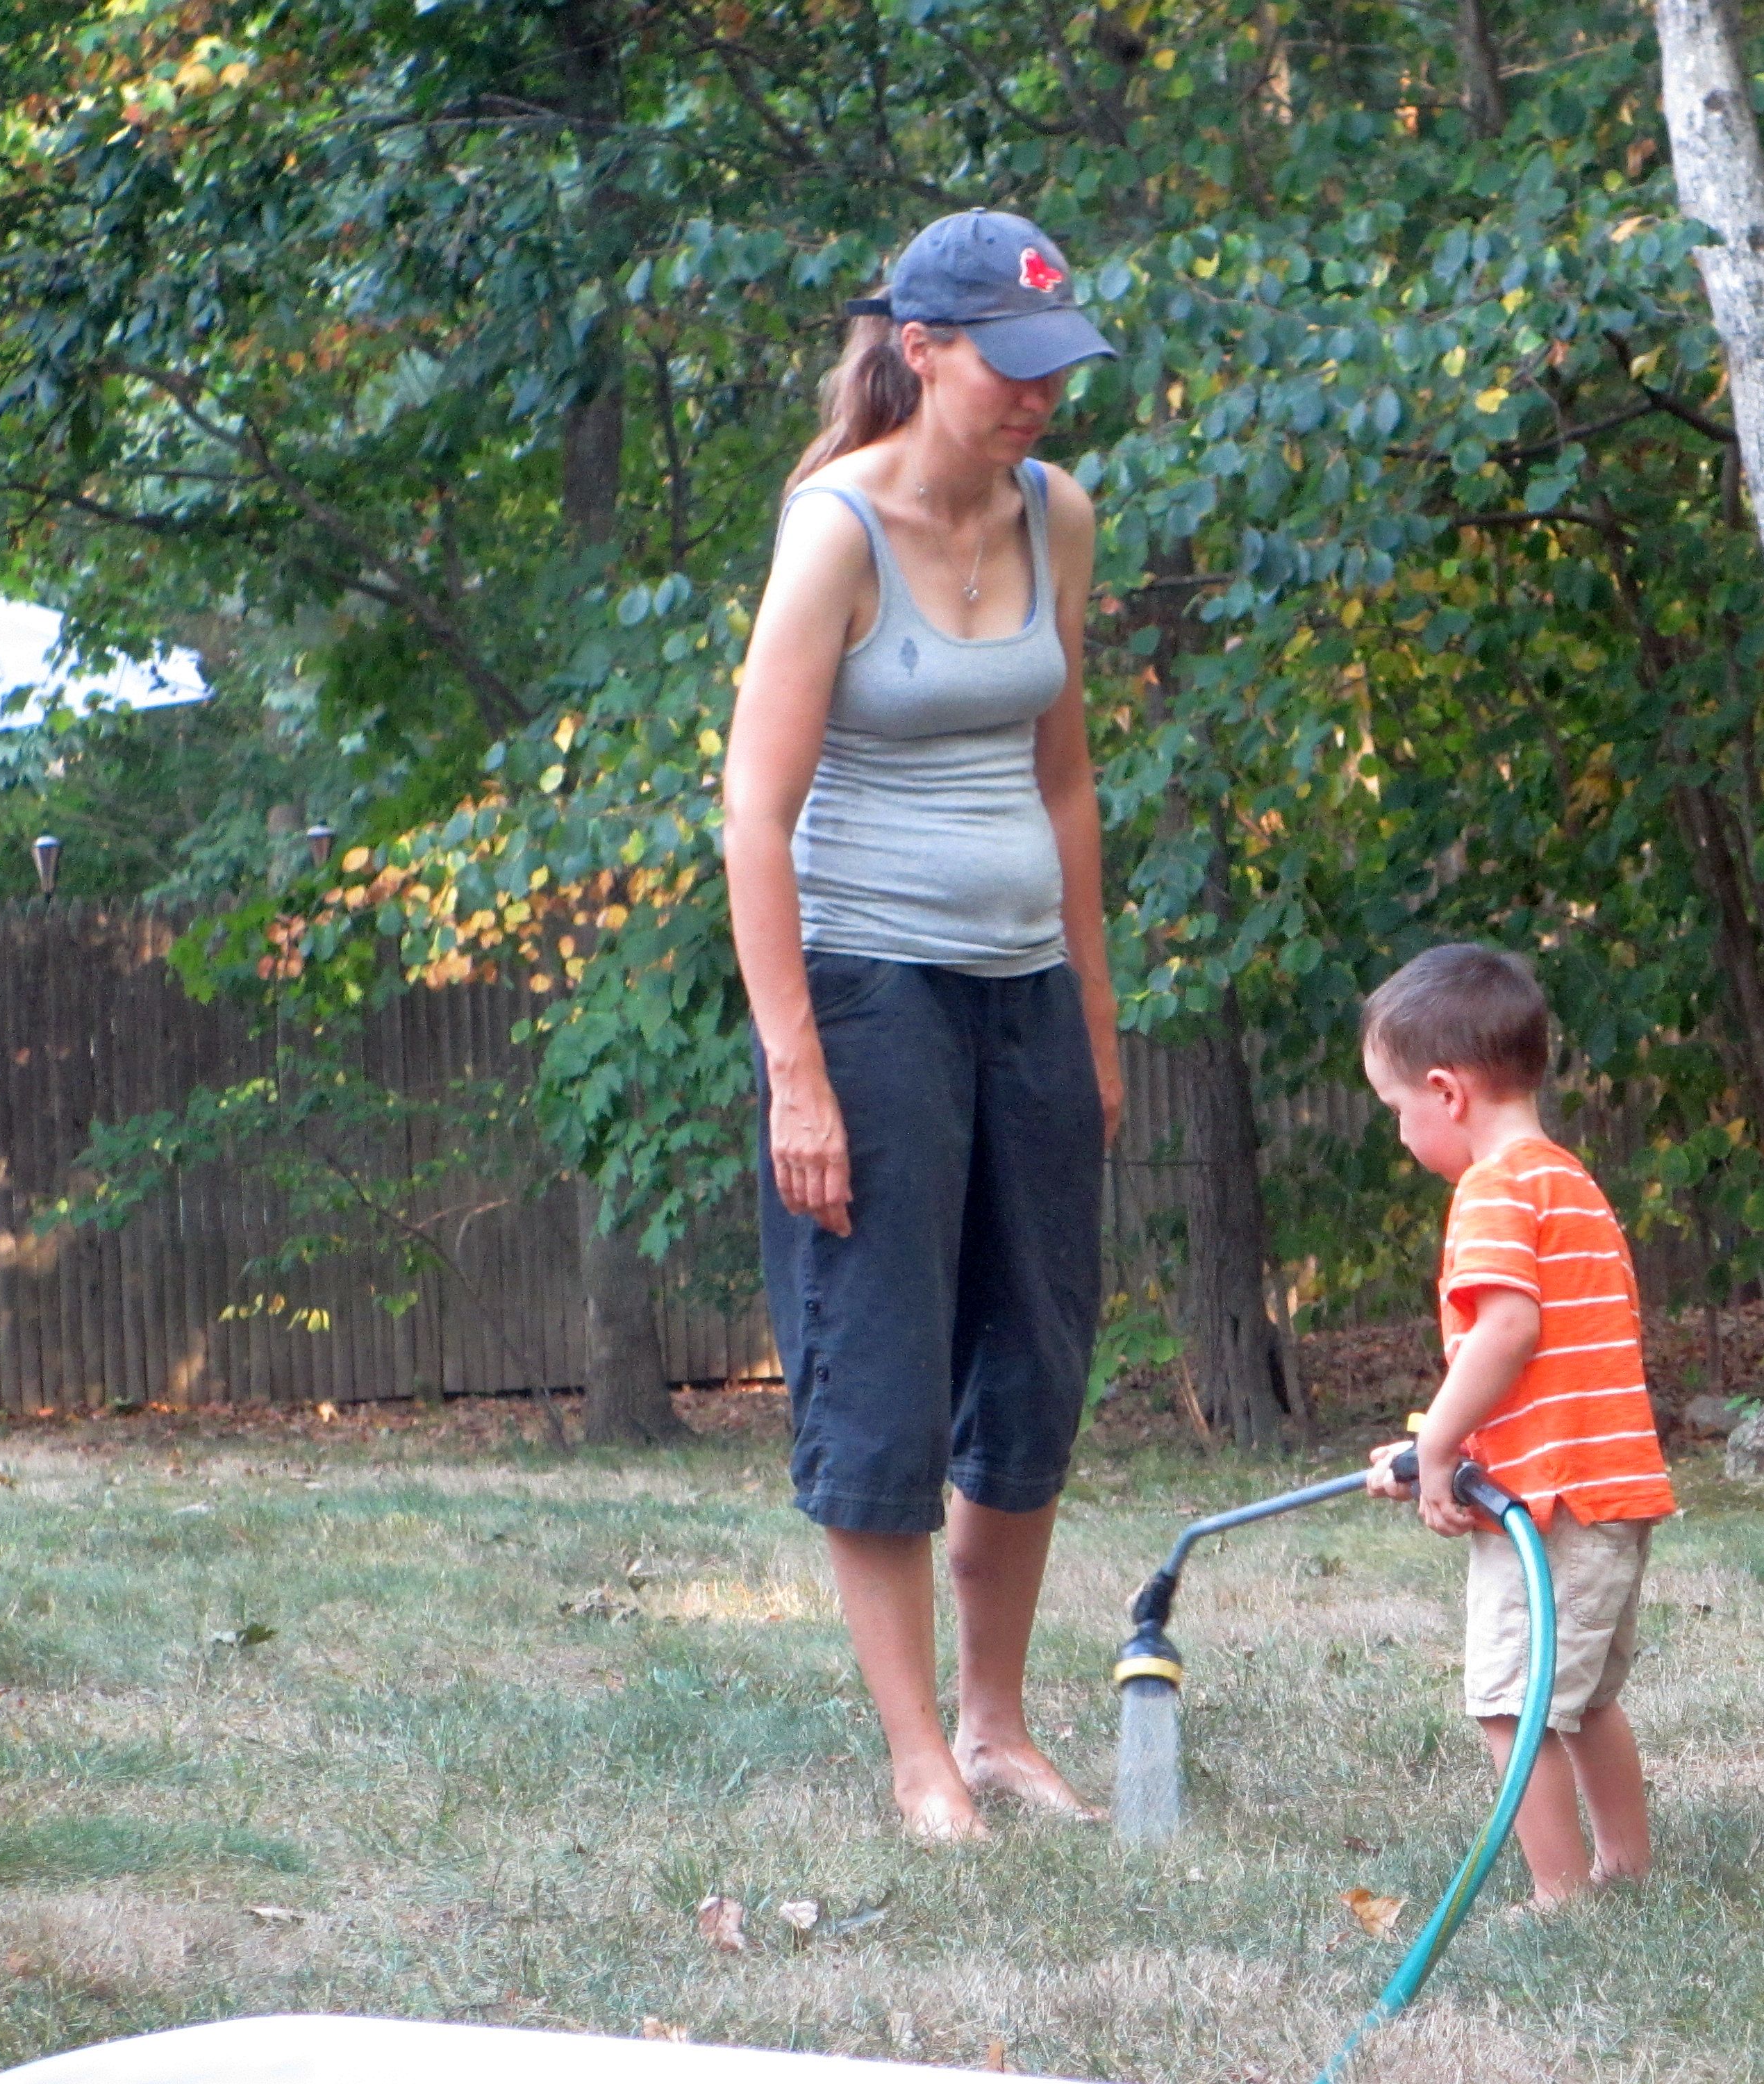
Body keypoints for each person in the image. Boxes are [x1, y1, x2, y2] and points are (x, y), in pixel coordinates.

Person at [722, 208, 1123, 1842]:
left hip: (1024, 993)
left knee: (1032, 1364)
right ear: (921, 349)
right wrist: (797, 1077)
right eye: (1008, 367)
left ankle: (996, 1727)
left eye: (1055, 367)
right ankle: (915, 1762)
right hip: (866, 992)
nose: (1039, 395)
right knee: (880, 1376)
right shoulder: (836, 531)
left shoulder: (1056, 513)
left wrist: (1094, 1019)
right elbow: (754, 818)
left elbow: (1064, 779)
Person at [1358, 944, 1676, 1905]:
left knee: (1513, 1707)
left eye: (1395, 1110)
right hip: (1606, 1487)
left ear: (1446, 1093)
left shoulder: (1492, 1189)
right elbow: (1539, 1367)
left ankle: (1560, 1896)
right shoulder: (1565, 1180)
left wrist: (1441, 1447)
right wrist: (1436, 1444)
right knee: (1585, 1701)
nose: (1401, 1135)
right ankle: (1624, 1868)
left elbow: (1506, 1332)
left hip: (1554, 1504)